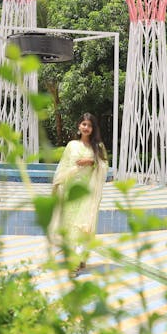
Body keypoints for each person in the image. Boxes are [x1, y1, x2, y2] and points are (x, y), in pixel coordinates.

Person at [48, 112, 108, 276]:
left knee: (82, 227)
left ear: (93, 128)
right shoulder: (71, 145)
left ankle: (74, 264)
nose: (86, 127)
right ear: (79, 126)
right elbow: (63, 166)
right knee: (69, 226)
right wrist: (57, 184)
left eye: (89, 125)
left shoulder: (98, 147)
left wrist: (91, 161)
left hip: (87, 193)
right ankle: (78, 258)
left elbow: (104, 167)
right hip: (70, 192)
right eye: (84, 124)